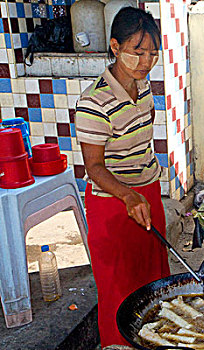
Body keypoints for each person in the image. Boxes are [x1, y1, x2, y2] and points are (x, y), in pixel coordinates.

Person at [75, 7, 170, 347]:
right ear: (115, 47)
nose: (146, 61)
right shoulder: (93, 103)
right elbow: (94, 168)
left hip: (148, 193)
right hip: (113, 205)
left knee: (154, 282)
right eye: (137, 52)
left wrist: (145, 190)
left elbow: (143, 140)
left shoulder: (143, 87)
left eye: (152, 53)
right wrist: (129, 196)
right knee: (120, 289)